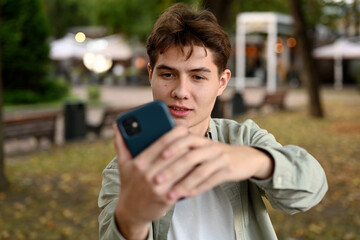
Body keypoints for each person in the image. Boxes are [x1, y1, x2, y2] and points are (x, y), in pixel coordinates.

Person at [98, 3, 328, 240]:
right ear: (150, 75)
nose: (181, 91)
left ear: (221, 82)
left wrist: (253, 160)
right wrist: (132, 219)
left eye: (198, 76)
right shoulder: (125, 170)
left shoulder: (243, 139)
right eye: (168, 74)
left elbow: (312, 187)